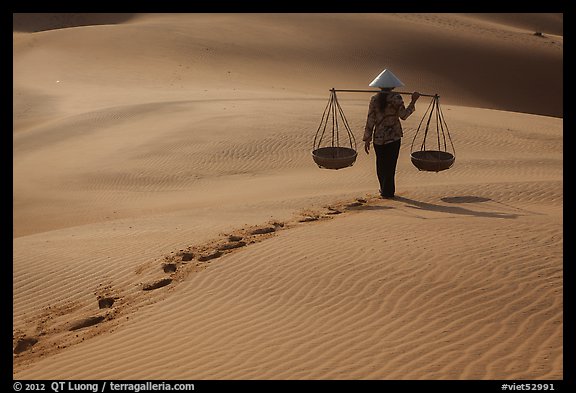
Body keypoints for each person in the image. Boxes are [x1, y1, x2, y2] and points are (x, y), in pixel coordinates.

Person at [363, 69, 420, 199]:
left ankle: (384, 189)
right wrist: (413, 101)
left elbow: (370, 119)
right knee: (390, 164)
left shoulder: (374, 99)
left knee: (381, 164)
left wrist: (367, 138)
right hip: (393, 137)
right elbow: (404, 115)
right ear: (393, 86)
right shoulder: (396, 98)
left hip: (378, 138)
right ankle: (387, 192)